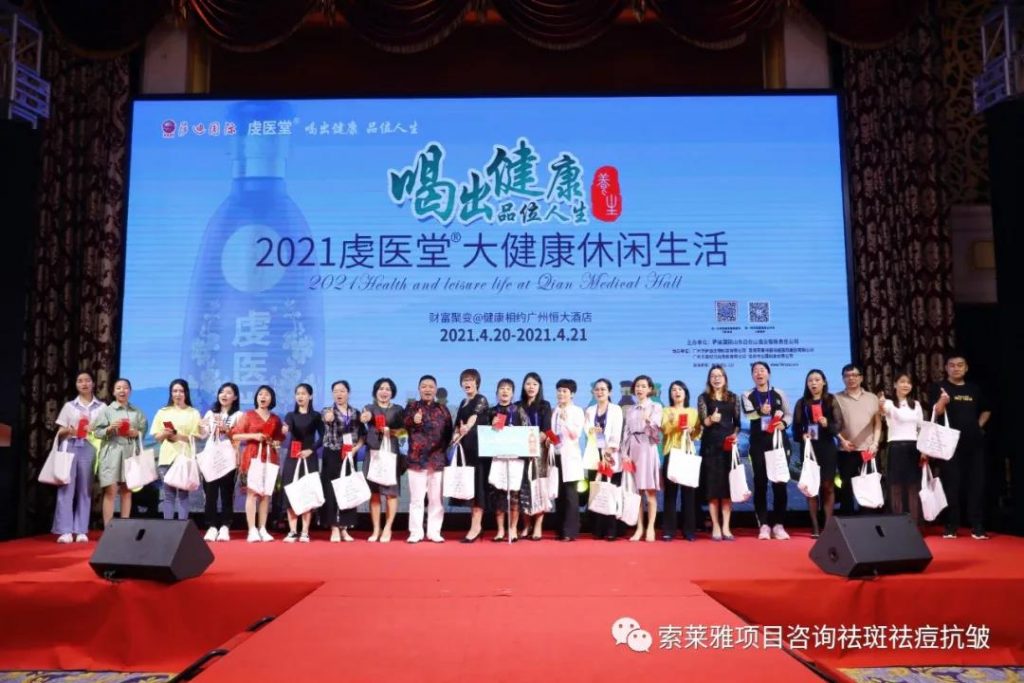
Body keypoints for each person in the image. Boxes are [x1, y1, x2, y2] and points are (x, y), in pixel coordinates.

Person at [928, 353, 991, 539]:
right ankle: (951, 525)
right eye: (952, 365)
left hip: (974, 444)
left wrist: (978, 426)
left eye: (960, 365)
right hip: (949, 445)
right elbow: (936, 412)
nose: (956, 368)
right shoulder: (939, 387)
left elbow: (986, 410)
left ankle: (977, 526)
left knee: (976, 484)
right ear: (946, 368)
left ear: (966, 368)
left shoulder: (974, 389)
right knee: (951, 484)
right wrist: (942, 400)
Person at [741, 362, 793, 540]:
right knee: (760, 483)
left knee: (780, 483)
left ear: (768, 374)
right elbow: (749, 414)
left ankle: (779, 524)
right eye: (755, 371)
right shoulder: (747, 394)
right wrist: (760, 411)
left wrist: (783, 423)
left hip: (778, 443)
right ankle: (763, 525)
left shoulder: (779, 393)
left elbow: (788, 414)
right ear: (752, 376)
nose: (759, 373)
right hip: (758, 444)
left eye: (762, 370)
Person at [51, 371, 105, 542]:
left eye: (87, 380)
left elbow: (105, 431)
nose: (84, 384)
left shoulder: (102, 407)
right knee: (66, 488)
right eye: (80, 381)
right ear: (76, 384)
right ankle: (65, 530)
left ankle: (81, 529)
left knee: (85, 489)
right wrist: (70, 430)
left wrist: (93, 429)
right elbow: (60, 431)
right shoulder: (69, 406)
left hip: (89, 446)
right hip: (70, 445)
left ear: (93, 383)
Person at [792, 369, 844, 538]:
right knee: (811, 487)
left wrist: (827, 424)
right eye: (810, 380)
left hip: (827, 447)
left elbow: (838, 426)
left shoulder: (830, 400)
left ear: (824, 382)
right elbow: (795, 428)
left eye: (817, 380)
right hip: (809, 448)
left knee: (828, 486)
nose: (813, 383)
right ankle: (815, 526)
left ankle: (828, 526)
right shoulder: (801, 403)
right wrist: (802, 435)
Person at [91, 378, 148, 527]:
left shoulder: (137, 412)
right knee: (110, 491)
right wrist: (109, 429)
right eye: (118, 388)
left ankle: (124, 528)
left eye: (125, 388)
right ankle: (108, 529)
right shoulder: (107, 411)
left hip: (130, 452)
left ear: (130, 391)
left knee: (127, 491)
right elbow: (97, 432)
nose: (122, 391)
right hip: (111, 452)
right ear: (113, 392)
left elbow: (143, 430)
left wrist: (136, 432)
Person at [231, 385, 285, 542]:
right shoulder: (248, 415)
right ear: (256, 398)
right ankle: (252, 529)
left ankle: (262, 528)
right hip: (252, 457)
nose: (263, 397)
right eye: (260, 394)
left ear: (271, 399)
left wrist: (278, 440)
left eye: (267, 394)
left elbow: (278, 439)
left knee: (266, 494)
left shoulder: (275, 418)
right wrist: (253, 436)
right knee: (252, 493)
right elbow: (235, 435)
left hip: (270, 457)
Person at [404, 375, 453, 543]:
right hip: (416, 460)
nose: (427, 389)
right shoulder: (412, 407)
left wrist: (440, 451)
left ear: (436, 390)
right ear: (419, 389)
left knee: (436, 499)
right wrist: (413, 420)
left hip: (437, 460)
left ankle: (434, 532)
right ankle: (415, 532)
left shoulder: (443, 410)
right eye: (424, 386)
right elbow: (404, 424)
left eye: (431, 386)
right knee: (416, 499)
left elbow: (448, 433)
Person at [697, 365, 740, 541]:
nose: (716, 379)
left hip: (728, 447)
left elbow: (737, 423)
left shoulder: (733, 397)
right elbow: (703, 422)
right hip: (710, 447)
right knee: (712, 489)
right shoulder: (703, 398)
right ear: (709, 379)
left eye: (719, 375)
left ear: (725, 378)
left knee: (727, 489)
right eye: (713, 376)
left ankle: (726, 526)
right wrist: (710, 419)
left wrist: (735, 435)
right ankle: (715, 525)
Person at [487, 378, 532, 542]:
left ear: (512, 393)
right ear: (497, 392)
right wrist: (491, 427)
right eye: (502, 388)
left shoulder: (518, 410)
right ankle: (500, 530)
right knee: (499, 494)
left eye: (508, 389)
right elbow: (485, 436)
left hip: (515, 459)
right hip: (498, 458)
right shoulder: (492, 411)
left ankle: (512, 529)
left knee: (514, 495)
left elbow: (528, 431)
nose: (505, 391)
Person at [151, 379, 203, 522]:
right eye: (175, 391)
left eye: (181, 391)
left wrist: (177, 436)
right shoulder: (163, 412)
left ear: (186, 393)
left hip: (184, 458)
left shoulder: (193, 413)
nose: (178, 394)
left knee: (183, 495)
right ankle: (168, 528)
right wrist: (165, 434)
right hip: (166, 458)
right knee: (168, 495)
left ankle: (182, 527)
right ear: (171, 393)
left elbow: (195, 437)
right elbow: (157, 437)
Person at [320, 380, 365, 543]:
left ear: (348, 393)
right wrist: (328, 417)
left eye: (342, 391)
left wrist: (355, 449)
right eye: (335, 391)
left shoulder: (356, 413)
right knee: (331, 490)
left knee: (348, 489)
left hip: (349, 454)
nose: (339, 394)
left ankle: (344, 527)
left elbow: (363, 436)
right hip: (332, 454)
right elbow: (326, 418)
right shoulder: (327, 410)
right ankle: (333, 527)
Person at [361, 377, 405, 543]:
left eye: (387, 389)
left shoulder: (398, 410)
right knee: (374, 494)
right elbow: (365, 417)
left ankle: (388, 527)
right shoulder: (369, 407)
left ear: (392, 392)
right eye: (381, 388)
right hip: (373, 455)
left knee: (391, 494)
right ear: (375, 392)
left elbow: (404, 433)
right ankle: (376, 528)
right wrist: (365, 417)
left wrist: (390, 432)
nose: (384, 392)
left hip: (391, 454)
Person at [835, 363, 882, 515]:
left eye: (854, 375)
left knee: (868, 487)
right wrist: (842, 440)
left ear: (861, 378)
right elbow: (833, 424)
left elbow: (877, 423)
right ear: (843, 379)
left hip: (868, 450)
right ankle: (847, 520)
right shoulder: (836, 398)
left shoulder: (872, 398)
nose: (851, 378)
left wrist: (875, 443)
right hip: (846, 450)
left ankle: (867, 519)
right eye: (847, 376)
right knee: (846, 487)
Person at [878, 373, 925, 524]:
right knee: (896, 486)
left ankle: (915, 523)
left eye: (909, 382)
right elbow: (882, 411)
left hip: (914, 448)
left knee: (913, 486)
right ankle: (897, 524)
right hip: (896, 447)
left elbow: (921, 428)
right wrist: (880, 404)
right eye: (902, 382)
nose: (906, 385)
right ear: (895, 384)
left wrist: (923, 450)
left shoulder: (916, 404)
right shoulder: (889, 403)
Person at [621, 375, 663, 542]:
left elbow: (656, 433)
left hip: (648, 448)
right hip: (633, 449)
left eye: (643, 386)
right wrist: (624, 453)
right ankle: (639, 528)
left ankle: (651, 527)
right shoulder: (630, 409)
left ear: (650, 389)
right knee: (636, 493)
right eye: (637, 386)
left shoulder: (655, 406)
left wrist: (648, 420)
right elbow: (626, 432)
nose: (640, 389)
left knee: (650, 492)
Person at [281, 383, 324, 543]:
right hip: (293, 456)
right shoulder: (290, 415)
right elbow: (288, 426)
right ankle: (292, 531)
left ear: (310, 396)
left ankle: (305, 531)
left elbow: (323, 436)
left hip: (309, 456)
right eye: (298, 393)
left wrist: (311, 450)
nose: (300, 396)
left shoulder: (316, 416)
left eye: (304, 393)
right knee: (291, 490)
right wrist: (285, 430)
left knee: (307, 490)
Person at [199, 382, 242, 541]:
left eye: (229, 393)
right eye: (222, 392)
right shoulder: (211, 413)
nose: (224, 395)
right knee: (210, 493)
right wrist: (200, 426)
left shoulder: (238, 415)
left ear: (235, 397)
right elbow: (203, 435)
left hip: (228, 457)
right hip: (211, 456)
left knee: (227, 493)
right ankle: (211, 526)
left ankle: (225, 526)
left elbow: (239, 437)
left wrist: (227, 430)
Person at [660, 380, 701, 541]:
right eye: (673, 390)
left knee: (688, 494)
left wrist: (692, 430)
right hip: (671, 452)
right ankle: (669, 530)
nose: (677, 392)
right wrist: (675, 423)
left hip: (688, 452)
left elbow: (698, 433)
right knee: (670, 494)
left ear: (685, 393)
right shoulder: (666, 410)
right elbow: (665, 430)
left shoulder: (693, 412)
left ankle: (689, 530)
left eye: (680, 389)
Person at [452, 369, 489, 543]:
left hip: (477, 451)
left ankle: (476, 527)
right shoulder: (462, 402)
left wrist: (466, 427)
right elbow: (457, 424)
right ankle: (475, 525)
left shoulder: (481, 399)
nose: (467, 383)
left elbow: (474, 417)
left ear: (477, 383)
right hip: (465, 451)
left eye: (471, 380)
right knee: (469, 488)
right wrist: (455, 435)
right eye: (465, 380)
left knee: (478, 489)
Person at [585, 378, 624, 541]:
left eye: (603, 389)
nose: (599, 392)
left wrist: (609, 450)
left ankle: (612, 529)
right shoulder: (589, 410)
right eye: (597, 389)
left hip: (610, 455)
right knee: (597, 490)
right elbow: (587, 430)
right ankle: (598, 529)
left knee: (612, 491)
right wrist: (591, 431)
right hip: (595, 455)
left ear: (610, 392)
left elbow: (617, 431)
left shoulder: (616, 409)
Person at [517, 372, 551, 540]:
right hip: (520, 453)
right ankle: (526, 525)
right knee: (523, 489)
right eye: (528, 383)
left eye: (535, 384)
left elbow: (546, 430)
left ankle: (538, 526)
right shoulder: (516, 406)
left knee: (538, 488)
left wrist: (533, 443)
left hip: (539, 453)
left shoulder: (545, 405)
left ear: (539, 387)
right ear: (524, 386)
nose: (531, 387)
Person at [551, 379, 585, 542]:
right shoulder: (555, 410)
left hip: (570, 457)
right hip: (556, 455)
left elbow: (575, 435)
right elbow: (554, 433)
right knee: (559, 494)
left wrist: (565, 421)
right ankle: (560, 529)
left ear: (572, 394)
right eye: (559, 391)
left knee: (571, 495)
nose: (561, 394)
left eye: (565, 391)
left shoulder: (577, 411)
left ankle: (570, 531)